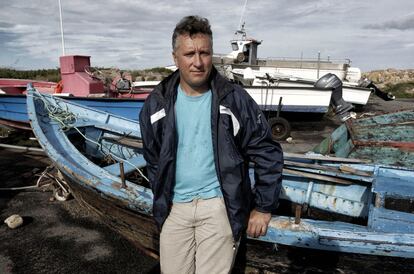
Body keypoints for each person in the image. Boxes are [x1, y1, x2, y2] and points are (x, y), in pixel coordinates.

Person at [139, 15, 283, 274]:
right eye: (189, 53)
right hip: (175, 208)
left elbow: (265, 149)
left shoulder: (233, 99)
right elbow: (152, 157)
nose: (197, 62)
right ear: (175, 58)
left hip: (218, 206)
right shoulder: (156, 103)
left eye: (204, 53)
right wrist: (162, 194)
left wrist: (263, 207)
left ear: (211, 54)